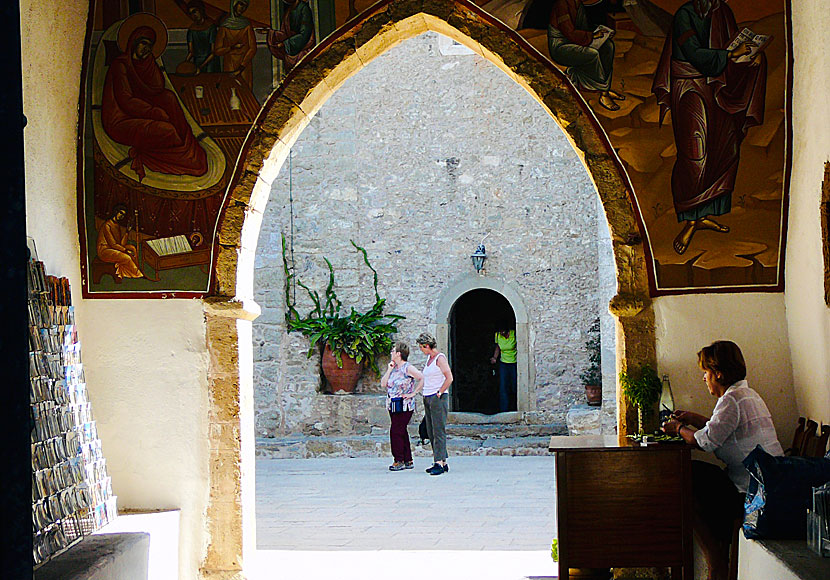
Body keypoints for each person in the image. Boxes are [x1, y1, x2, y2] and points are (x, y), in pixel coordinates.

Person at [652, 0, 767, 255]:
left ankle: (704, 215)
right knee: (696, 153)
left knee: (724, 147)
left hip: (717, 86)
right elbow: (694, 52)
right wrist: (731, 56)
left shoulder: (722, 12)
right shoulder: (685, 15)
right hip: (690, 87)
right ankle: (690, 221)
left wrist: (750, 59)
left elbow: (733, 46)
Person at [661, 340, 783, 580]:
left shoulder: (731, 400)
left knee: (685, 476)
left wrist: (677, 428)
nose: (704, 378)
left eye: (706, 373)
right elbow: (722, 429)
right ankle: (717, 557)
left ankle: (716, 561)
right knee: (694, 476)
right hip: (770, 483)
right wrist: (694, 419)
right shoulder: (747, 395)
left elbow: (703, 442)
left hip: (752, 493)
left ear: (718, 373)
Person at [101, 16, 208, 182]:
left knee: (169, 97)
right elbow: (126, 101)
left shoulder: (145, 62)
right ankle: (172, 153)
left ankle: (185, 145)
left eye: (150, 46)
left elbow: (157, 88)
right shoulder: (120, 65)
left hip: (141, 112)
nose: (146, 49)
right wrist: (155, 112)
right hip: (120, 120)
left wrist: (150, 63)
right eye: (143, 43)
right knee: (167, 131)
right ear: (133, 42)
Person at [547, 0, 625, 111]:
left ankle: (604, 89)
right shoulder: (562, 4)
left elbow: (582, 28)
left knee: (608, 46)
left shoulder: (578, 4)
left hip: (576, 41)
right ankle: (604, 95)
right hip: (561, 47)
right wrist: (592, 36)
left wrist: (603, 32)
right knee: (592, 54)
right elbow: (569, 32)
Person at [381, 342, 424, 471]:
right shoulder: (394, 369)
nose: (391, 353)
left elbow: (422, 378)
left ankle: (398, 459)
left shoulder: (407, 368)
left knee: (395, 431)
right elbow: (383, 384)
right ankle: (407, 459)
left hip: (404, 404)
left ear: (399, 354)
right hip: (393, 404)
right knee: (401, 431)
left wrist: (413, 393)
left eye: (393, 351)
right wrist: (389, 368)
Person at [416, 332, 453, 476]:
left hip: (437, 397)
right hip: (427, 396)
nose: (421, 350)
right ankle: (441, 461)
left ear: (427, 346)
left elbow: (449, 378)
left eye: (421, 347)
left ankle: (439, 461)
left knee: (438, 430)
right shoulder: (429, 360)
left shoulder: (440, 358)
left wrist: (440, 392)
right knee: (431, 430)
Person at [257, 0, 315, 74]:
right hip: (291, 52)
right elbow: (285, 34)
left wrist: (286, 44)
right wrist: (270, 33)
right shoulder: (289, 11)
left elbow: (305, 34)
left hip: (303, 50)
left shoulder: (304, 9)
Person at [214, 0, 257, 89]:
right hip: (230, 65)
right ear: (234, 5)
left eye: (245, 6)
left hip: (244, 66)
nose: (242, 8)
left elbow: (252, 48)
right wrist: (231, 47)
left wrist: (241, 67)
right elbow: (217, 50)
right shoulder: (224, 26)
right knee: (230, 91)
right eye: (240, 4)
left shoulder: (247, 25)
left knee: (245, 93)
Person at [96, 204, 144, 279]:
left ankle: (136, 270)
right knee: (126, 257)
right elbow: (113, 244)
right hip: (105, 250)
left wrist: (127, 232)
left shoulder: (116, 225)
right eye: (120, 213)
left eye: (123, 214)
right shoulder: (107, 225)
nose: (122, 216)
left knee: (133, 248)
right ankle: (138, 275)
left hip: (113, 248)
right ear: (116, 212)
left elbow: (121, 244)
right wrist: (126, 251)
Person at [185, 1, 220, 73]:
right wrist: (185, 63)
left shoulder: (211, 28)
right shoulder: (191, 30)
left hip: (210, 63)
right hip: (197, 62)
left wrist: (201, 67)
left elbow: (213, 52)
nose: (193, 15)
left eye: (195, 11)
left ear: (201, 10)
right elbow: (191, 52)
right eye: (191, 13)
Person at [489, 325, 517, 413]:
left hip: (514, 362)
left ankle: (515, 407)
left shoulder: (514, 334)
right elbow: (498, 347)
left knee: (514, 385)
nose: (502, 334)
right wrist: (494, 357)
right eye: (501, 332)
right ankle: (504, 410)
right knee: (503, 386)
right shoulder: (497, 335)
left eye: (504, 333)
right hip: (504, 363)